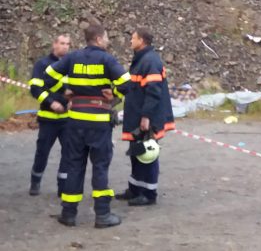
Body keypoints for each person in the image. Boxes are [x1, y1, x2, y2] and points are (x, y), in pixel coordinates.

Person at [43, 24, 130, 228]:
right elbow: (127, 83)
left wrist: (66, 91)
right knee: (100, 167)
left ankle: (69, 214)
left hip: (75, 121)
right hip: (99, 122)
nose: (108, 41)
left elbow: (48, 76)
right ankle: (102, 215)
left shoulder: (72, 58)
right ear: (99, 39)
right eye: (107, 37)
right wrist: (114, 94)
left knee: (74, 165)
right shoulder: (107, 59)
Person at [116, 27, 175, 206]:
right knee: (137, 152)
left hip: (147, 117)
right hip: (136, 114)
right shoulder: (141, 59)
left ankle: (149, 194)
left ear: (142, 40)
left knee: (148, 153)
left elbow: (154, 92)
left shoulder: (150, 61)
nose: (130, 41)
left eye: (133, 38)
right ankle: (135, 189)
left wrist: (146, 116)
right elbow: (132, 85)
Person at [28, 34, 71, 196]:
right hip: (48, 118)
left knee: (68, 153)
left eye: (68, 44)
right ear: (54, 44)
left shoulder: (71, 65)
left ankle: (63, 185)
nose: (65, 46)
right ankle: (35, 181)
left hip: (67, 119)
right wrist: (51, 102)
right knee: (42, 152)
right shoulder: (42, 64)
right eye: (62, 43)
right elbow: (35, 89)